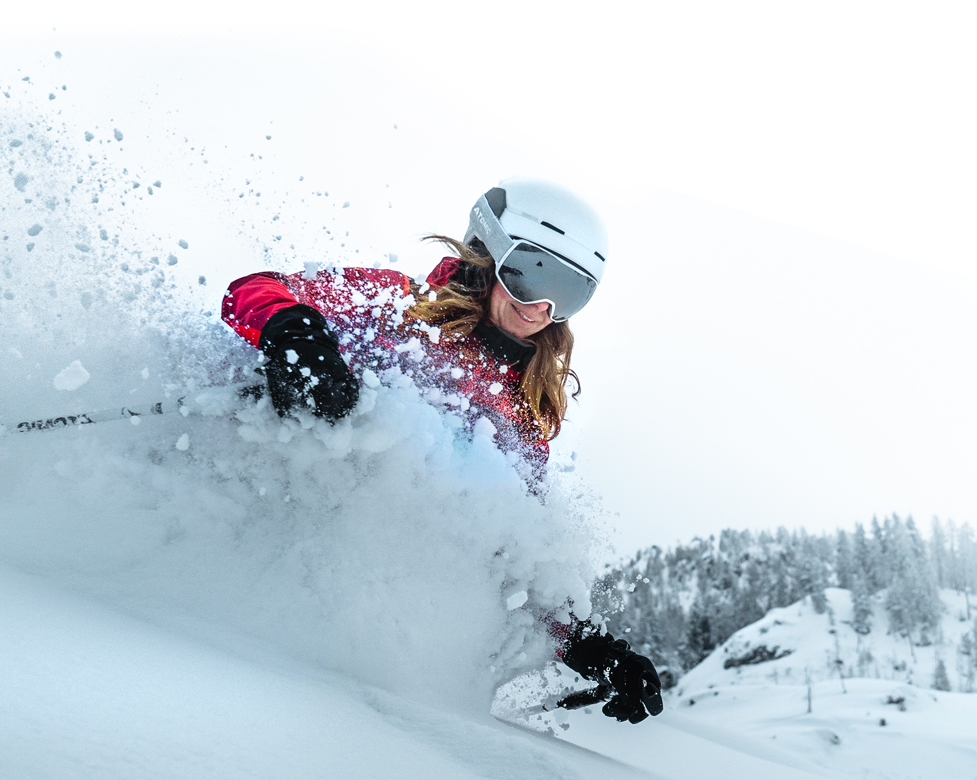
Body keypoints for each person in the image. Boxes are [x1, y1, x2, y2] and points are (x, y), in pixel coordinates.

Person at [219, 177, 664, 724]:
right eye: (531, 277)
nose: (541, 308)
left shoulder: (521, 423)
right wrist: (296, 334)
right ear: (487, 254)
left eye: (569, 293)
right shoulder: (398, 308)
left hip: (345, 611)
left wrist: (588, 647)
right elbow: (253, 289)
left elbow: (509, 550)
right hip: (249, 525)